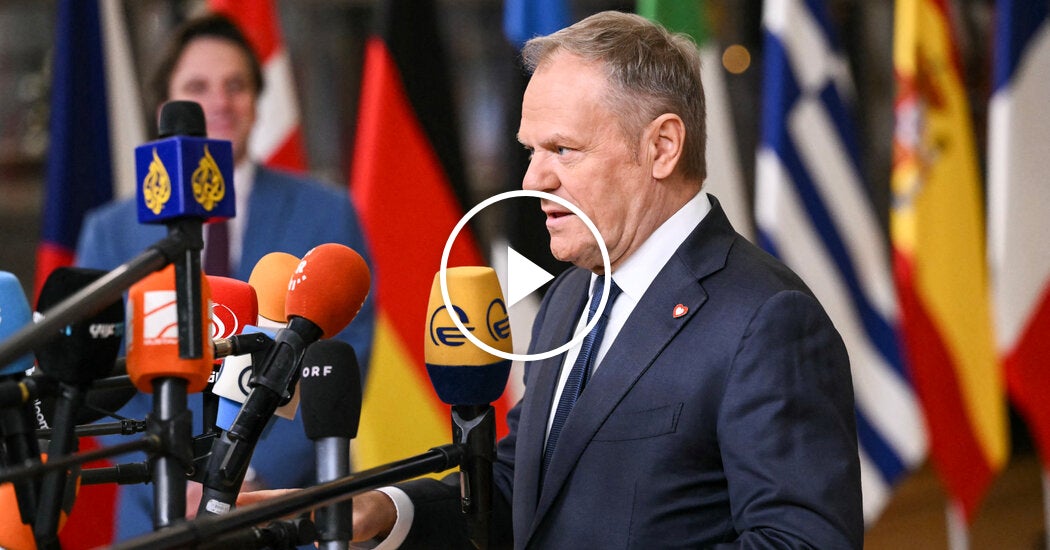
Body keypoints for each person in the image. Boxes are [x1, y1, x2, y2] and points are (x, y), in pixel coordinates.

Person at [335, 10, 862, 548]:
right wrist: (387, 510)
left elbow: (801, 542)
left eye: (563, 150)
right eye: (531, 150)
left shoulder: (767, 319)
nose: (533, 179)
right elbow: (524, 493)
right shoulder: (569, 296)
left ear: (662, 147)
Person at [74, 14, 375, 541]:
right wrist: (175, 476)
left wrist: (245, 475)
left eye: (236, 86)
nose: (220, 102)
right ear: (166, 106)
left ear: (257, 101)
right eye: (197, 87)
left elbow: (342, 355)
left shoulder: (326, 213)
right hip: (158, 511)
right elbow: (97, 378)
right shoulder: (110, 231)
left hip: (290, 509)